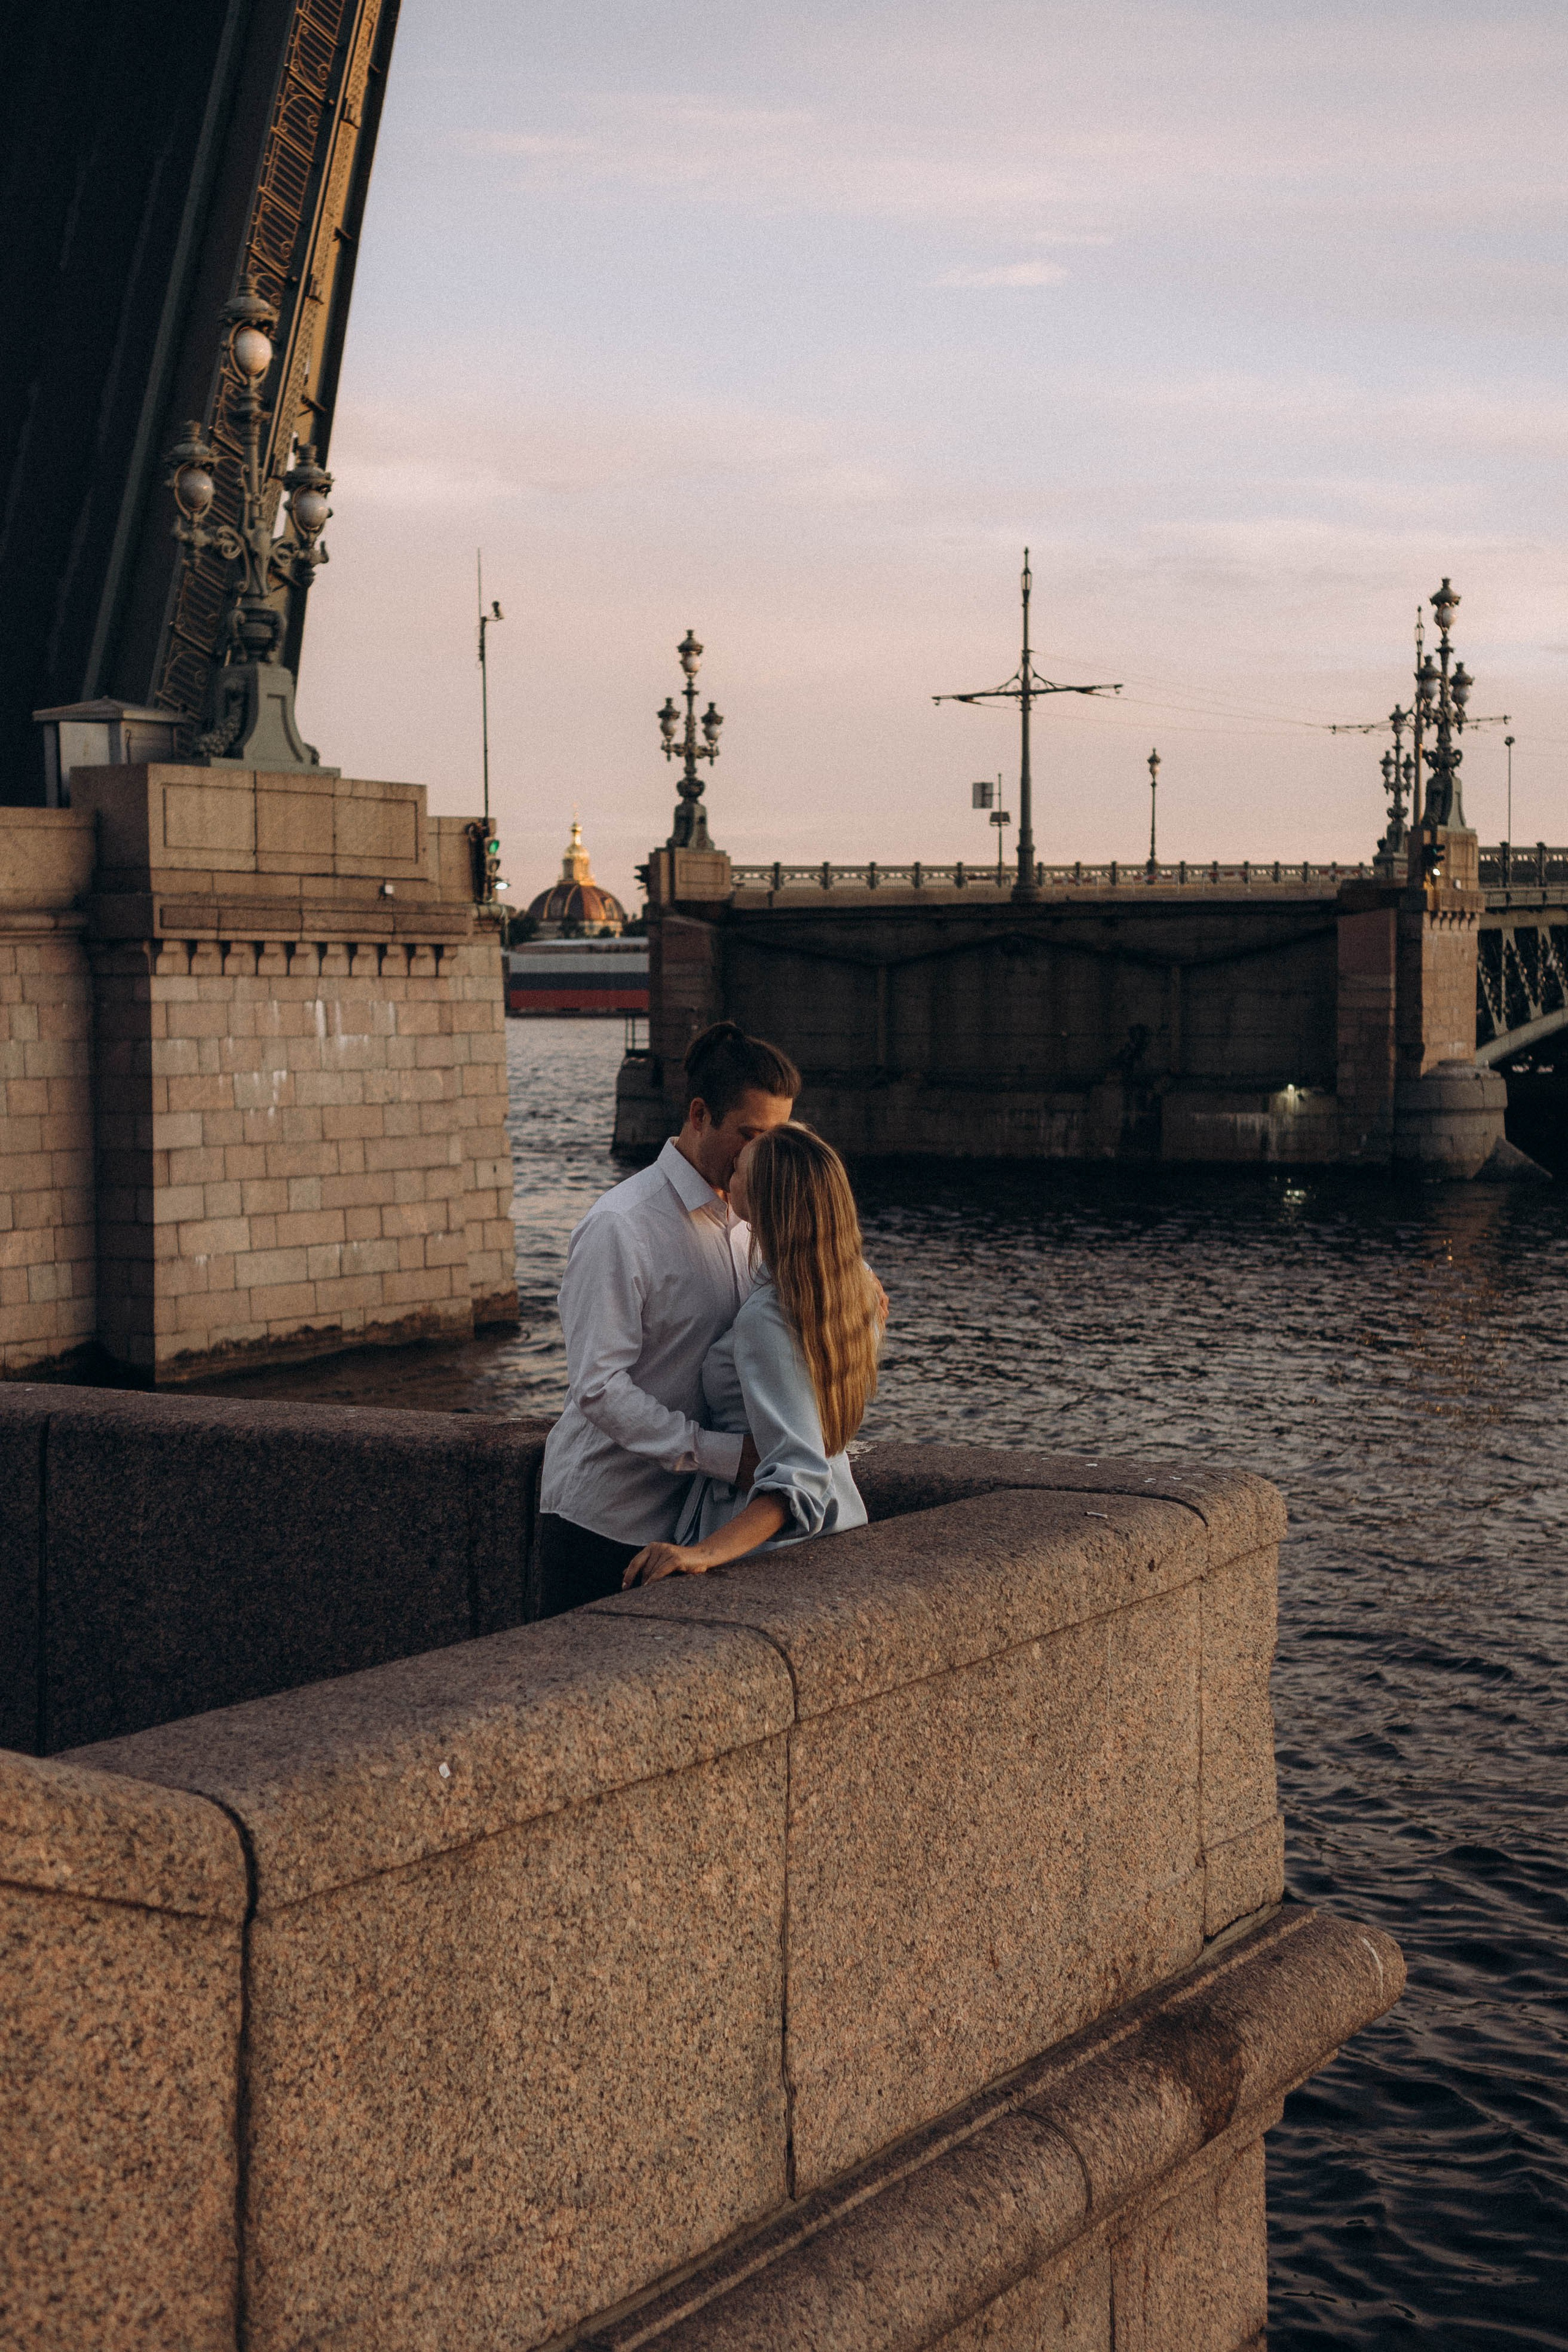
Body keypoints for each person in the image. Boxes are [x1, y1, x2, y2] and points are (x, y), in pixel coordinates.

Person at [537, 1020, 800, 1616]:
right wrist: (723, 1456)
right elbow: (599, 1389)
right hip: (607, 1520)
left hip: (701, 1525)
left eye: (776, 1139)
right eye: (750, 1134)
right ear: (699, 1114)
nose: (761, 1155)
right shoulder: (621, 1226)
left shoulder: (754, 1214)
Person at [622, 1121, 882, 1589]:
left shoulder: (770, 1317)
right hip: (842, 1521)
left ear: (761, 1200)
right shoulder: (850, 1288)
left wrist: (702, 1553)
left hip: (764, 1546)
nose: (731, 1169)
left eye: (741, 1169)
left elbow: (795, 1480)